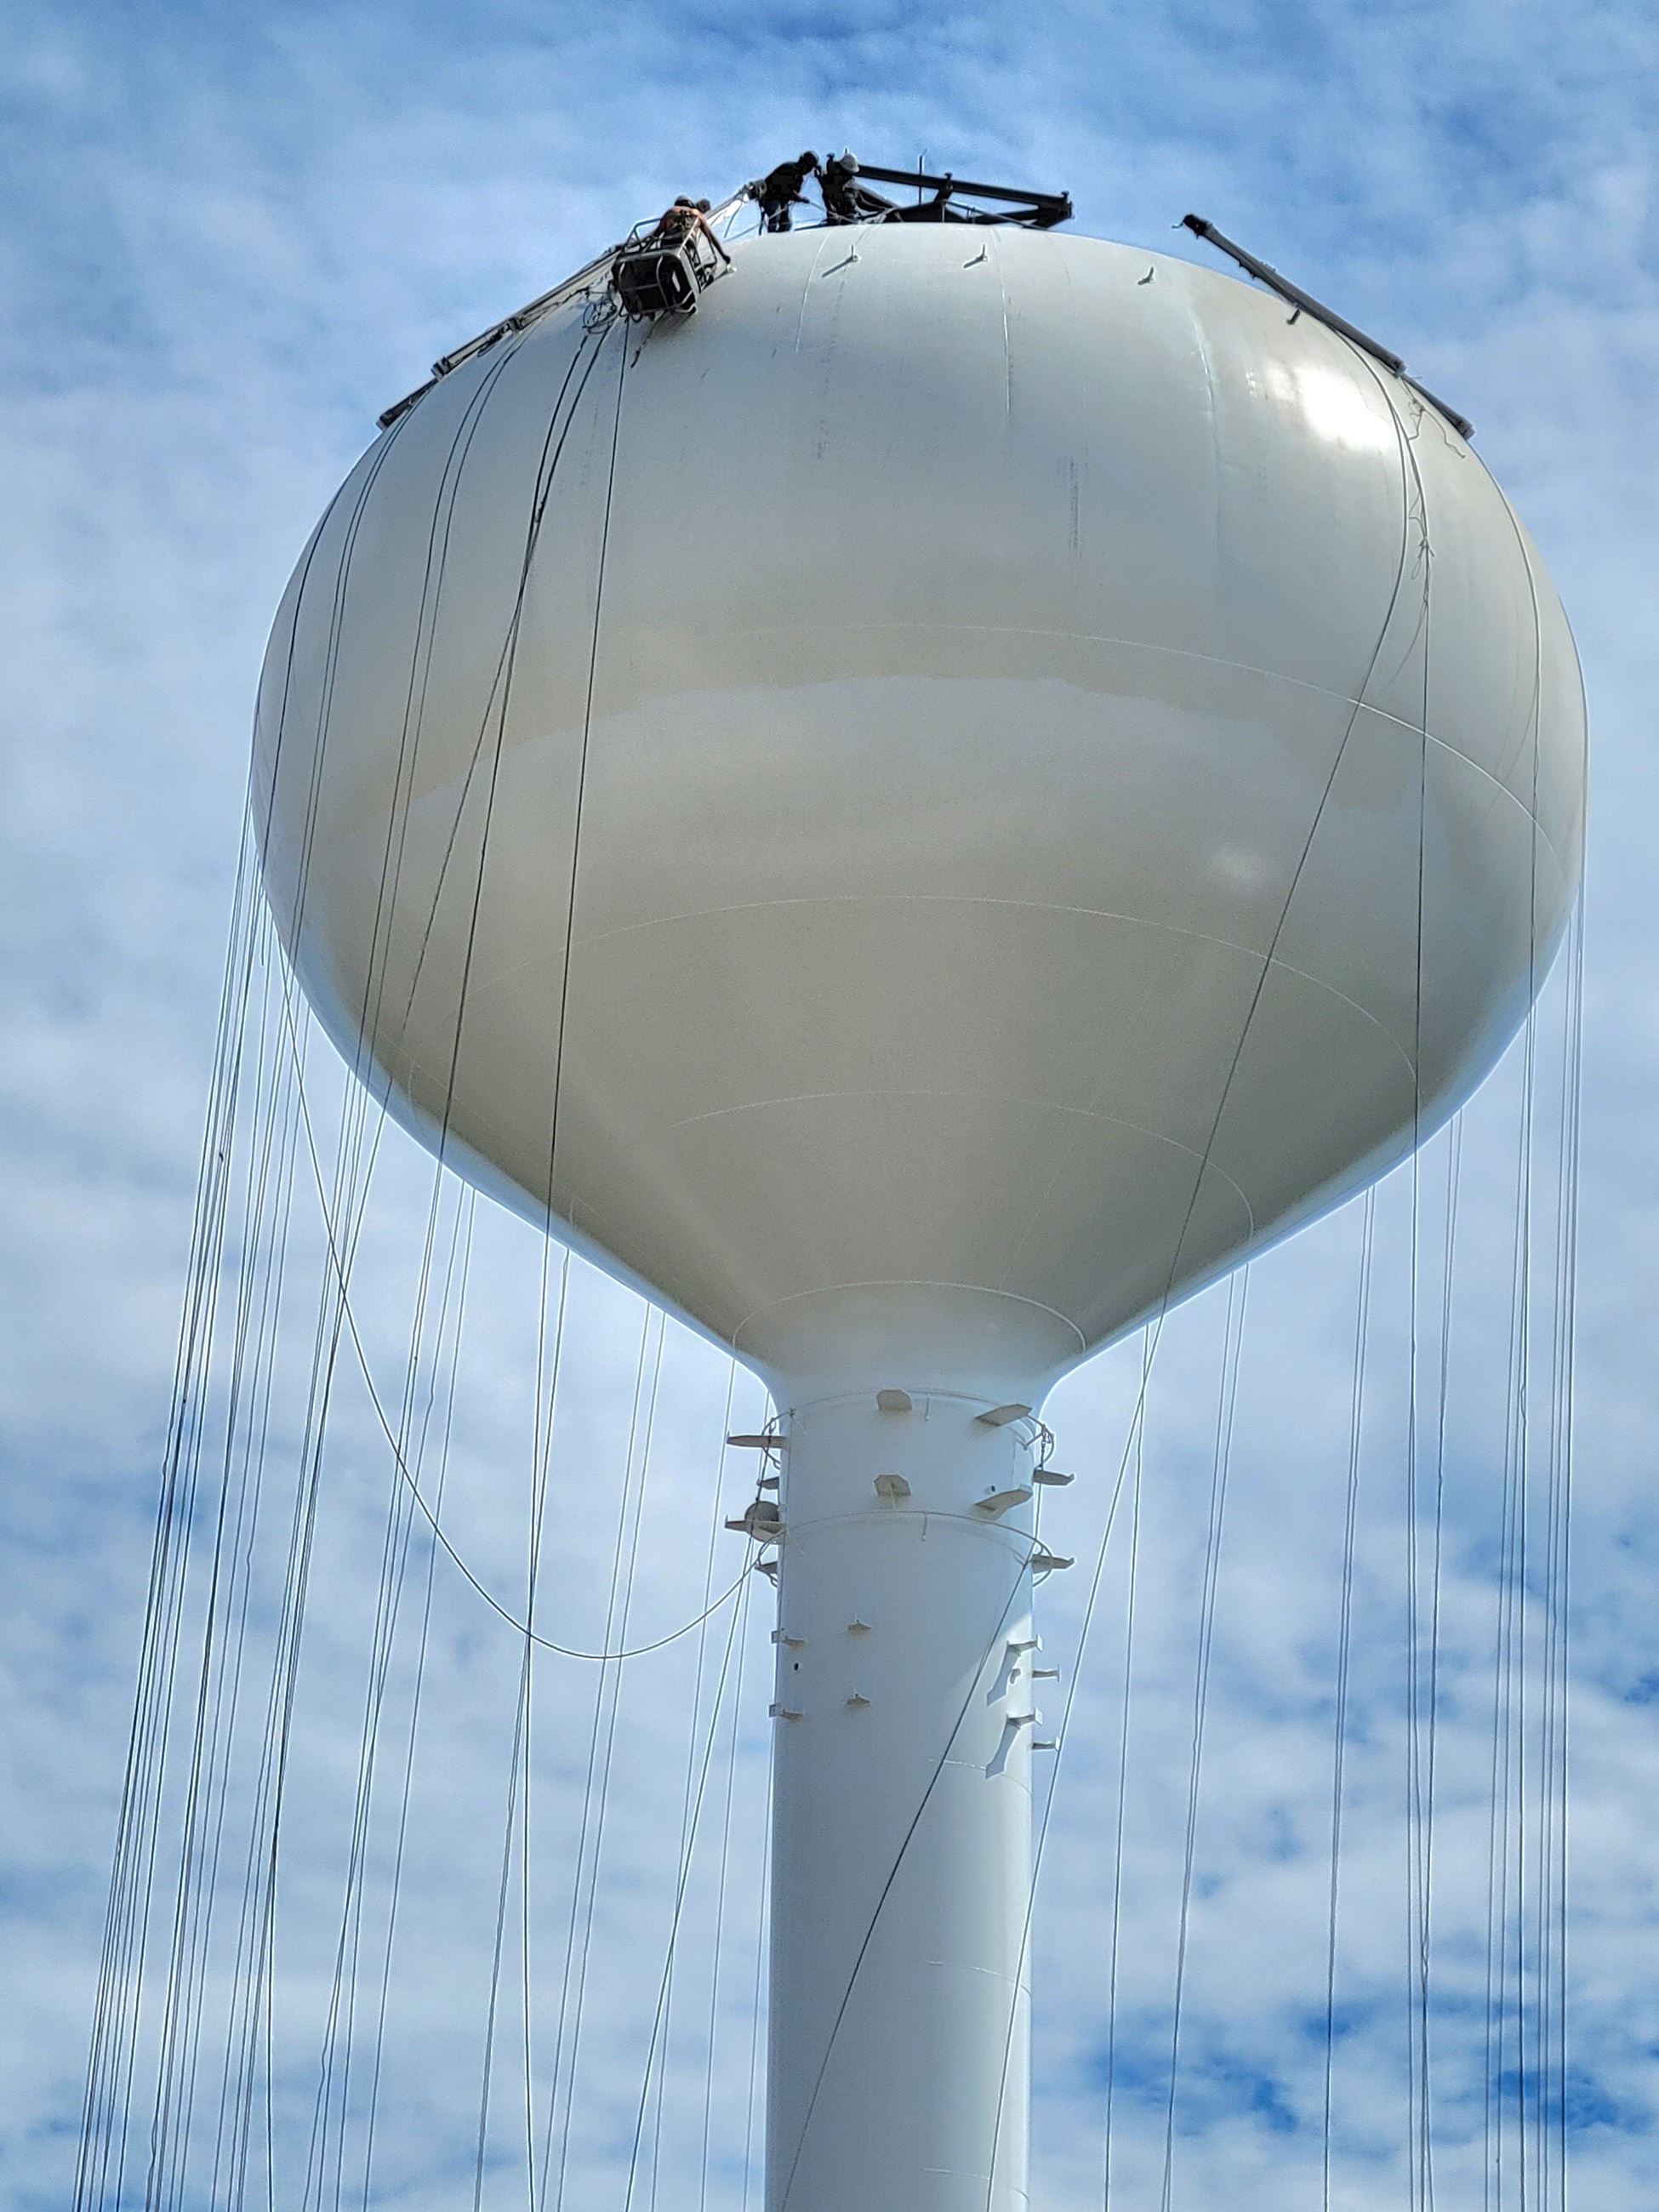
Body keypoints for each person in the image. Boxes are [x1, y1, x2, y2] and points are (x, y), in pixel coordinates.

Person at [648, 196, 733, 263]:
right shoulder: (697, 214)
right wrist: (723, 255)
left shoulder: (670, 211)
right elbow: (711, 237)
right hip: (687, 243)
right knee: (691, 258)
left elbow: (656, 234)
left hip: (667, 243)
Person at [749, 152, 818, 233]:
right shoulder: (789, 168)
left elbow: (792, 192)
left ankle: (780, 238)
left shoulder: (799, 179)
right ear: (803, 163)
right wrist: (800, 198)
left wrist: (797, 198)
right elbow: (785, 187)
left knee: (787, 223)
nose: (808, 170)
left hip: (781, 201)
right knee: (775, 213)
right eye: (809, 167)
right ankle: (771, 235)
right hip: (770, 197)